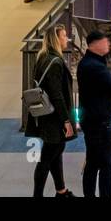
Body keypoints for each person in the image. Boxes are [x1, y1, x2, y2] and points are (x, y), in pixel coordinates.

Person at [26, 26, 75, 197]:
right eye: (64, 36)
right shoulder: (55, 62)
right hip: (55, 118)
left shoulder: (42, 58)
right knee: (47, 157)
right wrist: (66, 121)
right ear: (56, 39)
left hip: (45, 116)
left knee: (55, 153)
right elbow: (57, 95)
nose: (66, 38)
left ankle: (61, 191)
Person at [78, 30, 111, 197]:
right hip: (101, 124)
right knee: (106, 165)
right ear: (95, 44)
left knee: (92, 163)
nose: (108, 44)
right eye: (105, 41)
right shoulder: (95, 67)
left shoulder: (88, 63)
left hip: (92, 121)